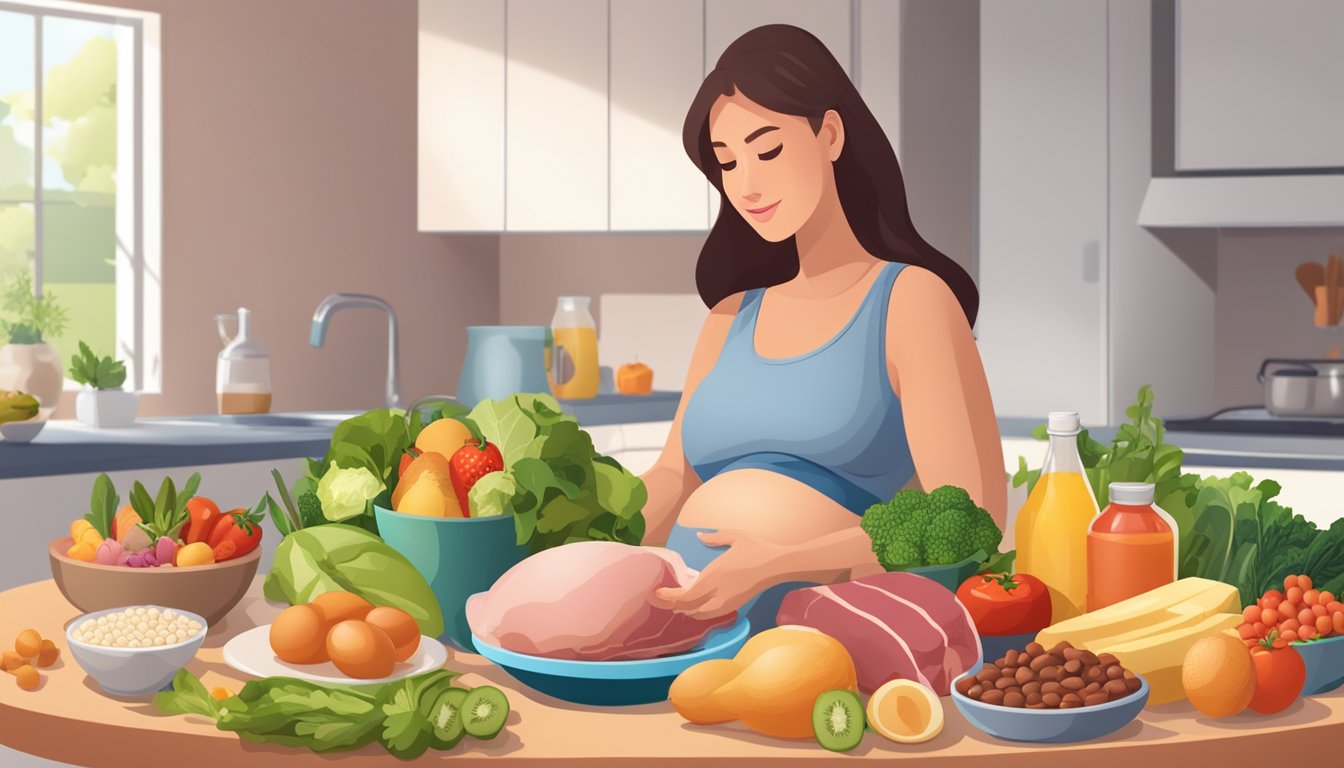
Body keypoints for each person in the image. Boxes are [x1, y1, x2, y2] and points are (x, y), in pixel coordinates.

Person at [641, 24, 1005, 630]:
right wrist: (591, 536)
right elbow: (672, 478)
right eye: (728, 164)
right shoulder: (729, 317)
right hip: (680, 631)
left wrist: (780, 564)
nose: (747, 186)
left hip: (827, 645)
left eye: (768, 150)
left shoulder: (909, 300)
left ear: (829, 134)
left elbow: (971, 516)